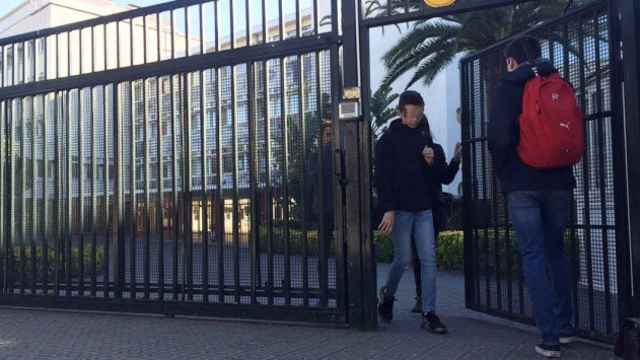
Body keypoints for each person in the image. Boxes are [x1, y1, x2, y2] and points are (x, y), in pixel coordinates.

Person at [487, 36, 576, 358]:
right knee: (557, 252)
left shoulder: (507, 87)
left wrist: (506, 174)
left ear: (511, 61)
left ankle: (549, 338)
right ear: (539, 56)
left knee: (534, 255)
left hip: (523, 184)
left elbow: (497, 137)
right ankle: (566, 327)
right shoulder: (556, 81)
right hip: (559, 181)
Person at [376, 90, 448, 334]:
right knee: (402, 259)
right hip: (401, 209)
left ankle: (429, 313)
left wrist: (431, 162)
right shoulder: (387, 141)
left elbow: (436, 177)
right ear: (401, 112)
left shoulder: (424, 138)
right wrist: (388, 209)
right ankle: (387, 295)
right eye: (413, 114)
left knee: (428, 259)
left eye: (420, 114)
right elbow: (383, 179)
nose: (417, 119)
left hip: (424, 208)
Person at [411, 129, 462, 313]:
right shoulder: (406, 150)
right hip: (411, 207)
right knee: (418, 255)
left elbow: (445, 177)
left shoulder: (436, 149)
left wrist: (456, 160)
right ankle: (421, 297)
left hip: (430, 207)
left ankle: (425, 301)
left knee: (425, 256)